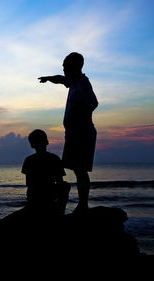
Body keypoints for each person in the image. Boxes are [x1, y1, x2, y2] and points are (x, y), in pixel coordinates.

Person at [38, 52, 98, 213]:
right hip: (74, 134)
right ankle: (79, 203)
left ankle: (83, 204)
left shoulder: (83, 83)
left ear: (74, 66)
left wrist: (79, 116)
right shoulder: (73, 81)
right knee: (77, 169)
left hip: (83, 134)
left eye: (65, 65)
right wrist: (48, 78)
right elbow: (59, 78)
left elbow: (93, 102)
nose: (63, 68)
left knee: (80, 170)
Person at [21, 129, 70, 216]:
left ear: (32, 145)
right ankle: (60, 213)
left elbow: (29, 183)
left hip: (35, 196)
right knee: (65, 186)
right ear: (47, 142)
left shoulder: (29, 160)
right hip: (50, 194)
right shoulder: (54, 158)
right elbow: (60, 181)